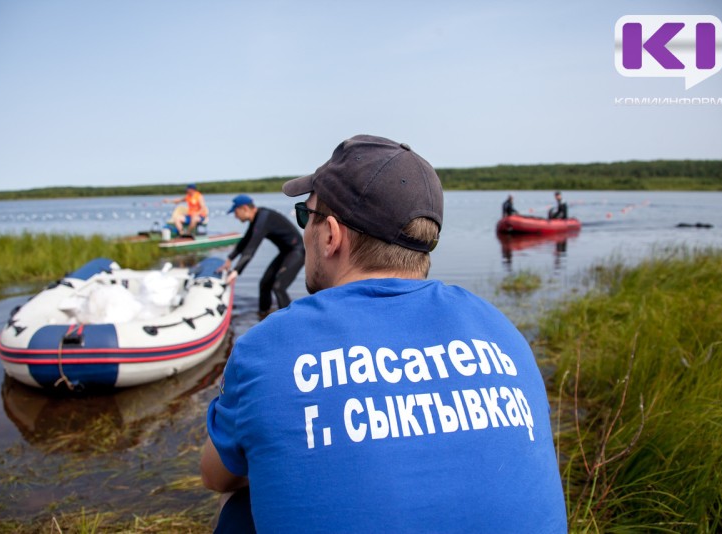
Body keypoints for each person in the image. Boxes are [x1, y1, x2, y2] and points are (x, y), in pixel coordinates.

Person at [201, 135, 567, 533]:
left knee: (239, 504)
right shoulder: (501, 330)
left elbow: (216, 476)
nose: (305, 231)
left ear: (331, 235)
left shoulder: (267, 347)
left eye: (306, 217)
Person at [216, 194, 304, 315]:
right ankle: (264, 315)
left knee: (278, 287)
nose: (235, 216)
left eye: (236, 212)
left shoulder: (263, 218)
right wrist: (230, 259)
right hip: (286, 252)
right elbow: (246, 241)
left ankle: (291, 319)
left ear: (245, 208)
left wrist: (236, 271)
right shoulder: (257, 218)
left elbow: (251, 248)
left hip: (297, 251)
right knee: (264, 284)